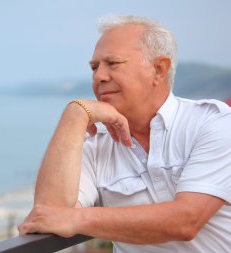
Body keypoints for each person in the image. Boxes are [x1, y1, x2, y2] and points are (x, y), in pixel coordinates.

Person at [18, 15, 231, 252]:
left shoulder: (214, 123)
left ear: (159, 69)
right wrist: (74, 115)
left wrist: (78, 219)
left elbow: (186, 221)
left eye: (113, 63)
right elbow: (48, 215)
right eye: (94, 67)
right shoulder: (94, 143)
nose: (99, 77)